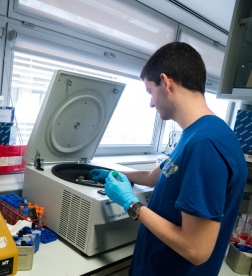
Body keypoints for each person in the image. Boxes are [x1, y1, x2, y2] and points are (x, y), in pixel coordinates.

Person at [90, 42, 248, 276]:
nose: (151, 102)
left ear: (165, 82)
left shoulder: (204, 145)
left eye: (150, 92)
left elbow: (196, 249)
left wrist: (132, 205)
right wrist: (119, 175)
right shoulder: (199, 132)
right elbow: (156, 178)